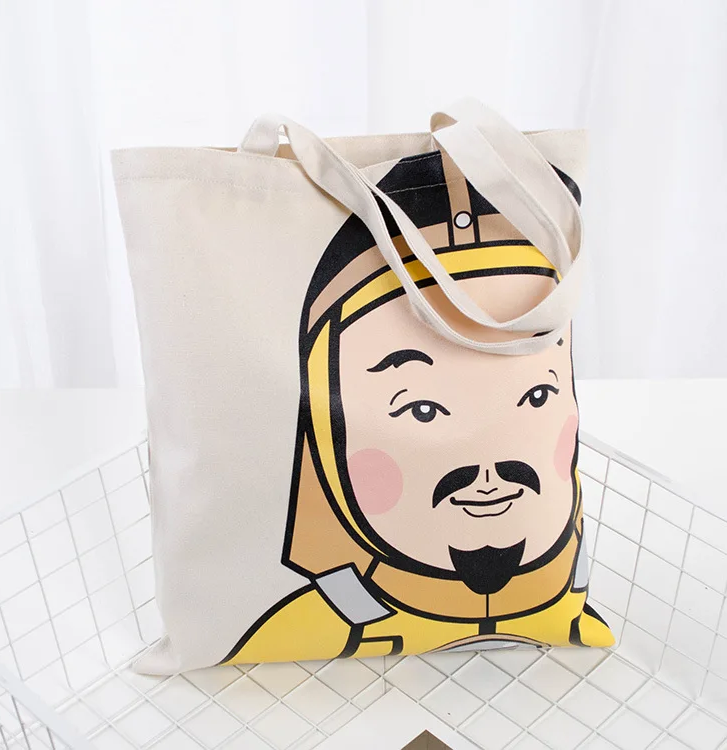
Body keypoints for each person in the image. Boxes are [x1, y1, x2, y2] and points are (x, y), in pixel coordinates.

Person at [220, 150, 613, 664]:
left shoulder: (562, 588)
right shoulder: (296, 624)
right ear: (324, 445)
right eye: (421, 409)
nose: (487, 471)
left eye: (537, 396)